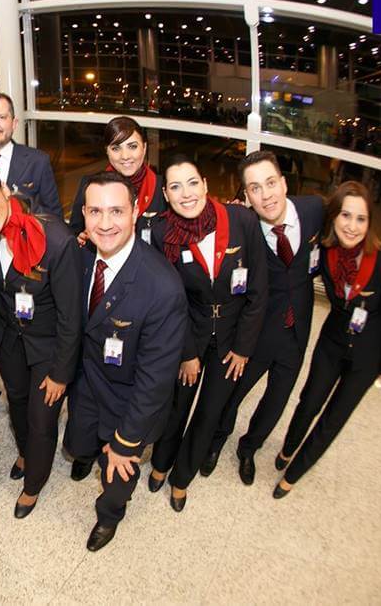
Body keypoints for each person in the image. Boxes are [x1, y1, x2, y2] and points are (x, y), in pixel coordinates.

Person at [0, 160, 81, 518]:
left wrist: (61, 372)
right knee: (19, 404)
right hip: (9, 341)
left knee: (42, 419)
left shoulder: (57, 240)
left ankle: (33, 484)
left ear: (4, 188)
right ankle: (24, 453)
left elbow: (72, 316)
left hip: (49, 348)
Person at [64, 171, 186, 552]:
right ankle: (86, 454)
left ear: (136, 212)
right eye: (95, 211)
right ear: (83, 213)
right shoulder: (80, 257)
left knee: (116, 479)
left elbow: (155, 383)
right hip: (86, 386)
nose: (105, 223)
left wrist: (125, 442)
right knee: (79, 443)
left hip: (129, 404)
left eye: (116, 211)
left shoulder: (162, 287)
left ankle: (109, 517)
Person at [147, 156, 267, 512]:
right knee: (177, 406)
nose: (186, 194)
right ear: (166, 196)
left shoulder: (242, 221)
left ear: (205, 184)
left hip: (233, 338)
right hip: (189, 331)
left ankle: (182, 478)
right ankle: (160, 462)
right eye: (175, 186)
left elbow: (259, 290)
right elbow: (169, 302)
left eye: (192, 182)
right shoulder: (161, 235)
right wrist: (186, 352)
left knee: (210, 411)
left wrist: (244, 348)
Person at [202, 151, 325, 484]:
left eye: (271, 183)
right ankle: (216, 442)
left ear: (284, 183)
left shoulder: (314, 211)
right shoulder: (244, 227)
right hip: (256, 333)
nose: (266, 194)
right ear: (246, 196)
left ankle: (248, 449)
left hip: (297, 331)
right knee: (233, 394)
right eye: (255, 188)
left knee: (276, 401)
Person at [273, 181, 381, 497]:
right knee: (310, 400)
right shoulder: (326, 251)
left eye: (361, 218)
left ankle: (294, 472)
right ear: (334, 217)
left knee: (333, 419)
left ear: (369, 222)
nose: (352, 226)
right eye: (346, 215)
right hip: (331, 342)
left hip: (367, 356)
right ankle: (289, 448)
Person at [68, 116, 166, 242]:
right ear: (107, 151)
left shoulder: (163, 187)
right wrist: (80, 239)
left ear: (144, 147)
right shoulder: (91, 186)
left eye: (132, 146)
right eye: (116, 148)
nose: (125, 156)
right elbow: (74, 233)